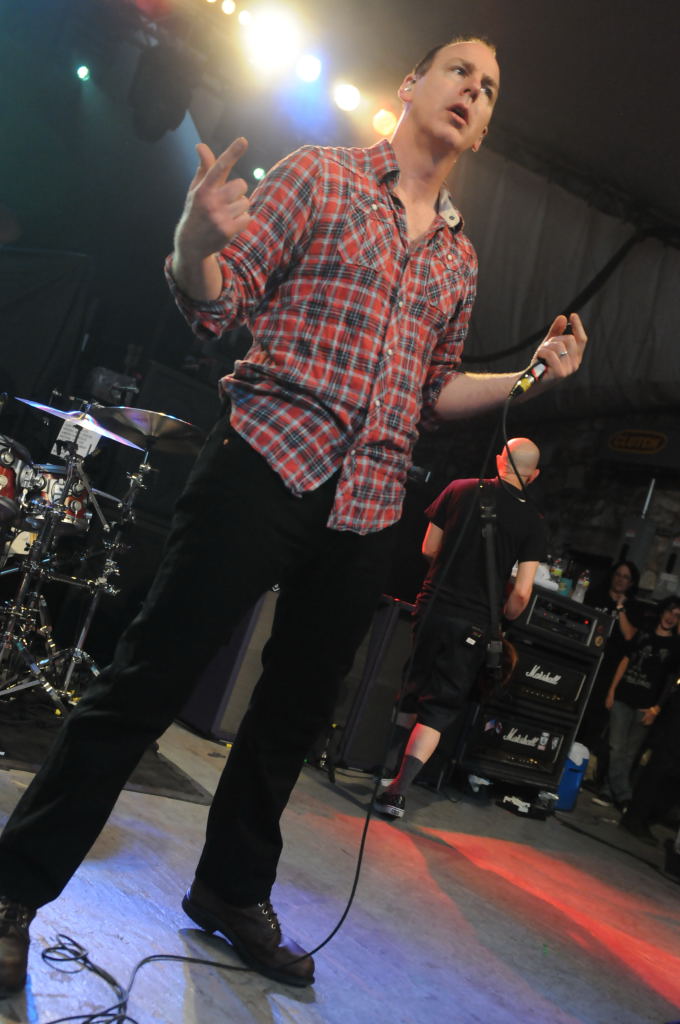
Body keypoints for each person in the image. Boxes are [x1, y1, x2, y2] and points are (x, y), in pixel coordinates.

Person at [0, 37, 588, 994]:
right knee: (147, 681)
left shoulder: (460, 260)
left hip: (369, 504)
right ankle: (13, 889)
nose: (473, 92)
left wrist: (528, 380)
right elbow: (218, 304)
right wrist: (194, 243)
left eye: (488, 90)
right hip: (265, 461)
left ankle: (230, 892)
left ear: (483, 128)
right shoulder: (321, 176)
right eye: (459, 73)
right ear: (411, 85)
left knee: (289, 720)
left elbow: (435, 392)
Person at [374, 438, 547, 819]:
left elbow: (427, 548)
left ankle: (384, 770)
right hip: (475, 622)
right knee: (440, 704)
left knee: (414, 686)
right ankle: (398, 790)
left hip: (433, 605)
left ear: (500, 460)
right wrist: (505, 615)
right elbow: (522, 592)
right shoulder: (533, 522)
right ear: (533, 476)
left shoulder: (459, 489)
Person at [602, 596, 680, 811]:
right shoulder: (644, 633)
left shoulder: (675, 646)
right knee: (616, 747)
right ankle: (625, 796)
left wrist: (657, 708)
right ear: (662, 611)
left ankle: (608, 792)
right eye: (670, 612)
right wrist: (611, 690)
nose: (671, 618)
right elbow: (625, 660)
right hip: (624, 695)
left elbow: (671, 681)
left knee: (629, 754)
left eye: (677, 616)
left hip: (647, 704)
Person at [578, 559, 643, 787]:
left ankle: (580, 764)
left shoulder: (633, 607)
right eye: (618, 574)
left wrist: (621, 608)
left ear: (631, 583)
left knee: (596, 718)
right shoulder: (596, 595)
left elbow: (629, 635)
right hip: (587, 659)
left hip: (610, 669)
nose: (620, 580)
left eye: (626, 577)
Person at [619, 674, 680, 844]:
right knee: (659, 773)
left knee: (669, 781)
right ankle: (635, 819)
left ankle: (642, 818)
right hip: (673, 730)